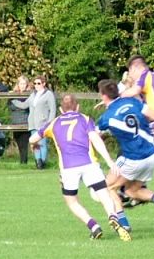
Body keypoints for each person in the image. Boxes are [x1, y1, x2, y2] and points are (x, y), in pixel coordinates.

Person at [41, 93, 132, 240]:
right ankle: (112, 216)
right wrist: (109, 161)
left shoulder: (54, 123)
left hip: (68, 168)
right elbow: (95, 138)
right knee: (103, 194)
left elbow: (34, 137)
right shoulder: (85, 119)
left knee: (71, 201)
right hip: (89, 164)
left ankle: (93, 226)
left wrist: (34, 144)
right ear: (78, 107)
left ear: (60, 109)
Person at [96, 79, 154, 228]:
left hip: (133, 158)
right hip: (150, 156)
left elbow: (95, 136)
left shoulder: (106, 117)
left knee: (107, 188)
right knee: (133, 190)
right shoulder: (133, 102)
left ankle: (124, 224)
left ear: (103, 96)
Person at [9, 75, 32, 164]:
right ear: (18, 84)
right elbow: (10, 106)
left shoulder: (29, 95)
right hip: (15, 122)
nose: (22, 85)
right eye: (21, 83)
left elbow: (26, 106)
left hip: (25, 121)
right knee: (18, 142)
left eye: (24, 84)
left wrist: (17, 104)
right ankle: (22, 160)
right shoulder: (12, 94)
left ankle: (24, 161)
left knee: (24, 143)